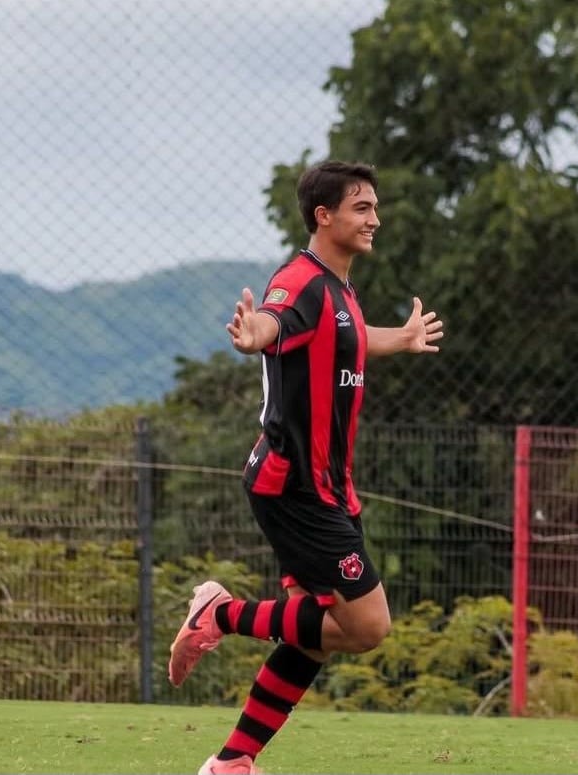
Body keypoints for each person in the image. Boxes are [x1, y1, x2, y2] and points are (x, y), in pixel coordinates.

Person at [167, 160, 443, 775]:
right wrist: (255, 335)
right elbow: (276, 321)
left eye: (375, 207)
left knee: (314, 632)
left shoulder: (338, 288)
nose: (375, 219)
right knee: (366, 627)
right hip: (295, 485)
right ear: (324, 216)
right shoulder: (300, 281)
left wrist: (400, 338)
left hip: (324, 486)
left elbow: (345, 336)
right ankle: (219, 613)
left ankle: (232, 762)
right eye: (362, 208)